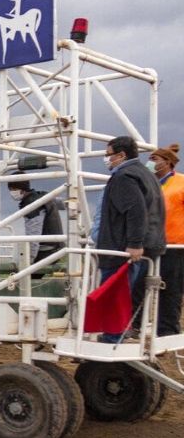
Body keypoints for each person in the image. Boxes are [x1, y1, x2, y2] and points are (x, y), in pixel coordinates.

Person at [96, 135, 166, 341]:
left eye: (108, 155)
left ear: (121, 155)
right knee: (127, 295)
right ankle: (118, 333)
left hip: (123, 249)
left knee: (115, 295)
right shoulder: (147, 174)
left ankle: (112, 338)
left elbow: (135, 210)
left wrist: (135, 243)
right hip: (150, 245)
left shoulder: (124, 176)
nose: (106, 159)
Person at [149, 143, 184, 335]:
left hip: (175, 246)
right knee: (143, 287)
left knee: (170, 290)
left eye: (154, 160)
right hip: (151, 244)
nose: (150, 163)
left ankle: (168, 330)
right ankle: (139, 325)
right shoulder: (150, 183)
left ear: (167, 162)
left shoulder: (181, 182)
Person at [9, 176, 64, 278]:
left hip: (46, 251)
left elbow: (33, 237)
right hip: (57, 248)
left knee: (24, 280)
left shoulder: (31, 205)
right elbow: (62, 204)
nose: (12, 193)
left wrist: (27, 263)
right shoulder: (42, 196)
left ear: (22, 189)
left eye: (13, 189)